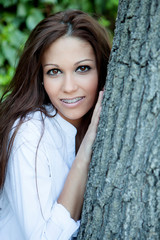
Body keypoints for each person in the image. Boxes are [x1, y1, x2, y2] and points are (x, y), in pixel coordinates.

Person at [0, 9, 111, 240]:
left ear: (102, 70)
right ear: (40, 78)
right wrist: (84, 154)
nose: (69, 87)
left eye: (82, 68)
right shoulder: (30, 133)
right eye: (54, 71)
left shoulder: (103, 129)